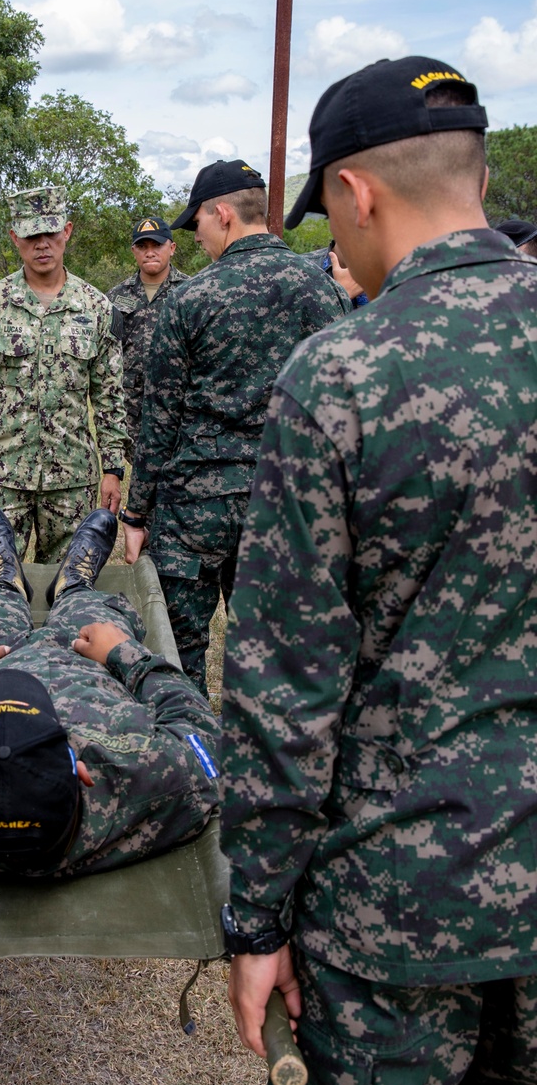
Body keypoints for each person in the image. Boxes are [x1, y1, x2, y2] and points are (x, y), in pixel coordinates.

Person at [220, 56, 537, 1085]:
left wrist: (255, 922)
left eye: (330, 218)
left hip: (398, 901)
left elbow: (282, 690)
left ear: (355, 193)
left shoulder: (342, 375)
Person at [0, 504, 220, 876]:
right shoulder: (145, 775)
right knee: (88, 613)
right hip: (83, 659)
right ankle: (74, 584)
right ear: (83, 773)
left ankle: (5, 584)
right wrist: (122, 653)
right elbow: (201, 729)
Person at [123, 160, 348, 691]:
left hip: (194, 506)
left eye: (195, 223)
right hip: (284, 498)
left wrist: (137, 511)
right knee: (275, 654)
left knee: (178, 655)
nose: (195, 237)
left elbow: (160, 420)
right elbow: (340, 407)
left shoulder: (189, 299)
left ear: (222, 214)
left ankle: (190, 757)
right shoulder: (320, 292)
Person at [0, 184, 128, 562]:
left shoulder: (98, 309)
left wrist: (113, 468)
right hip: (2, 478)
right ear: (15, 238)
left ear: (66, 231)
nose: (42, 244)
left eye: (50, 233)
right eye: (32, 235)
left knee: (69, 591)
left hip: (73, 478)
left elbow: (110, 398)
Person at [107, 216, 190, 460]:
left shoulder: (191, 292)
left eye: (157, 245)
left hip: (178, 406)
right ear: (134, 251)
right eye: (143, 246)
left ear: (172, 248)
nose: (150, 252)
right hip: (130, 409)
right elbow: (108, 354)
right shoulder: (115, 296)